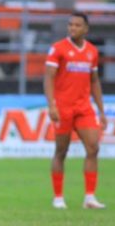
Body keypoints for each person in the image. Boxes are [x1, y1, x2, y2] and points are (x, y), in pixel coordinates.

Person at [44, 12, 107, 209]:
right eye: (70, 25)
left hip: (84, 108)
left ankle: (89, 197)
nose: (73, 28)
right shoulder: (58, 49)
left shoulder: (92, 52)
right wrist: (52, 105)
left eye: (77, 25)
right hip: (63, 108)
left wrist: (101, 110)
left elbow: (94, 81)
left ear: (86, 29)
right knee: (61, 151)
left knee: (93, 148)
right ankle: (58, 197)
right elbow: (48, 78)